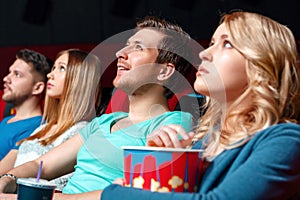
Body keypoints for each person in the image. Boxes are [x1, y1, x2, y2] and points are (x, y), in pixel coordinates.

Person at [98, 11, 300, 199]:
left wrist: (118, 193)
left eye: (227, 44)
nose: (205, 54)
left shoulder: (287, 140)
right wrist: (163, 167)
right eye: (211, 43)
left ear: (262, 65)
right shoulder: (203, 142)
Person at [0, 16, 194, 199]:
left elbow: (133, 194)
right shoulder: (104, 122)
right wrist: (7, 179)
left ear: (164, 71)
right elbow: (41, 165)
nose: (120, 54)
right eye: (126, 45)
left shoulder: (174, 122)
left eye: (138, 47)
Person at [0, 49, 102, 191]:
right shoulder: (42, 128)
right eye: (53, 68)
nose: (50, 75)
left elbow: (60, 183)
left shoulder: (83, 131)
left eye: (61, 68)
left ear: (80, 78)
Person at [0, 49, 51, 160]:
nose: (6, 79)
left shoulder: (37, 128)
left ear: (37, 88)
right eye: (10, 72)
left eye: (17, 74)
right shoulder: (6, 121)